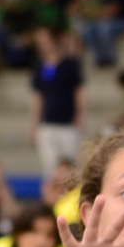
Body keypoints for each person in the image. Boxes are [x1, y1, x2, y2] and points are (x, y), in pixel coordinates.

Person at [30, 28, 84, 180]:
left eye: (45, 42)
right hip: (48, 124)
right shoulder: (40, 67)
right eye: (39, 43)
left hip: (68, 123)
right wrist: (34, 126)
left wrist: (80, 114)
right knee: (50, 169)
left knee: (71, 169)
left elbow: (78, 91)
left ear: (54, 41)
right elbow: (38, 97)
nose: (43, 46)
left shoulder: (69, 65)